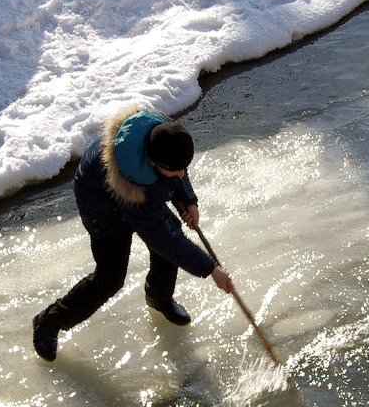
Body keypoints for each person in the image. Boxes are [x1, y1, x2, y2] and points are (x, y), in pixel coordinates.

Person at [32, 106, 234, 361]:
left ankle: (158, 297)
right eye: (175, 171)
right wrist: (211, 269)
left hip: (140, 190)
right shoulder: (136, 186)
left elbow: (177, 168)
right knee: (111, 277)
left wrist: (187, 198)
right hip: (100, 204)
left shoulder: (165, 136)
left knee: (171, 231)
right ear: (152, 162)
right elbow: (164, 239)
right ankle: (48, 322)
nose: (181, 174)